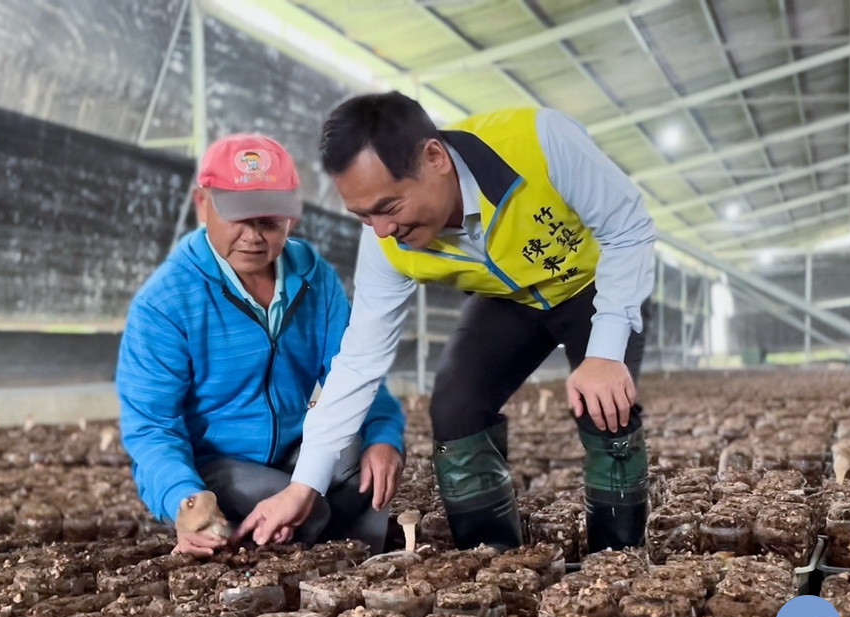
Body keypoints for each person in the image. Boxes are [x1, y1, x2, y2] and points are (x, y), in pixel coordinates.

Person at [233, 93, 656, 554]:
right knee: (455, 409)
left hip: (595, 284)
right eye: (364, 215)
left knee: (607, 409)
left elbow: (628, 229)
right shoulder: (384, 243)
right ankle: (491, 562)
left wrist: (605, 351)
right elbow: (359, 360)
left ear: (434, 157)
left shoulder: (540, 141)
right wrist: (304, 486)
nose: (380, 230)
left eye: (389, 207)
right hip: (509, 299)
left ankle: (616, 560)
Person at [116, 133, 406, 557]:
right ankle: (297, 554)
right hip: (216, 467)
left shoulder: (314, 278)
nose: (254, 236)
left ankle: (357, 563)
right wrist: (184, 496)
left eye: (270, 220)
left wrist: (384, 435)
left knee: (361, 456)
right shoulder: (166, 303)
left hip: (293, 445)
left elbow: (354, 370)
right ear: (203, 203)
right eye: (239, 217)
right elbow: (152, 426)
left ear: (292, 217)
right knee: (309, 508)